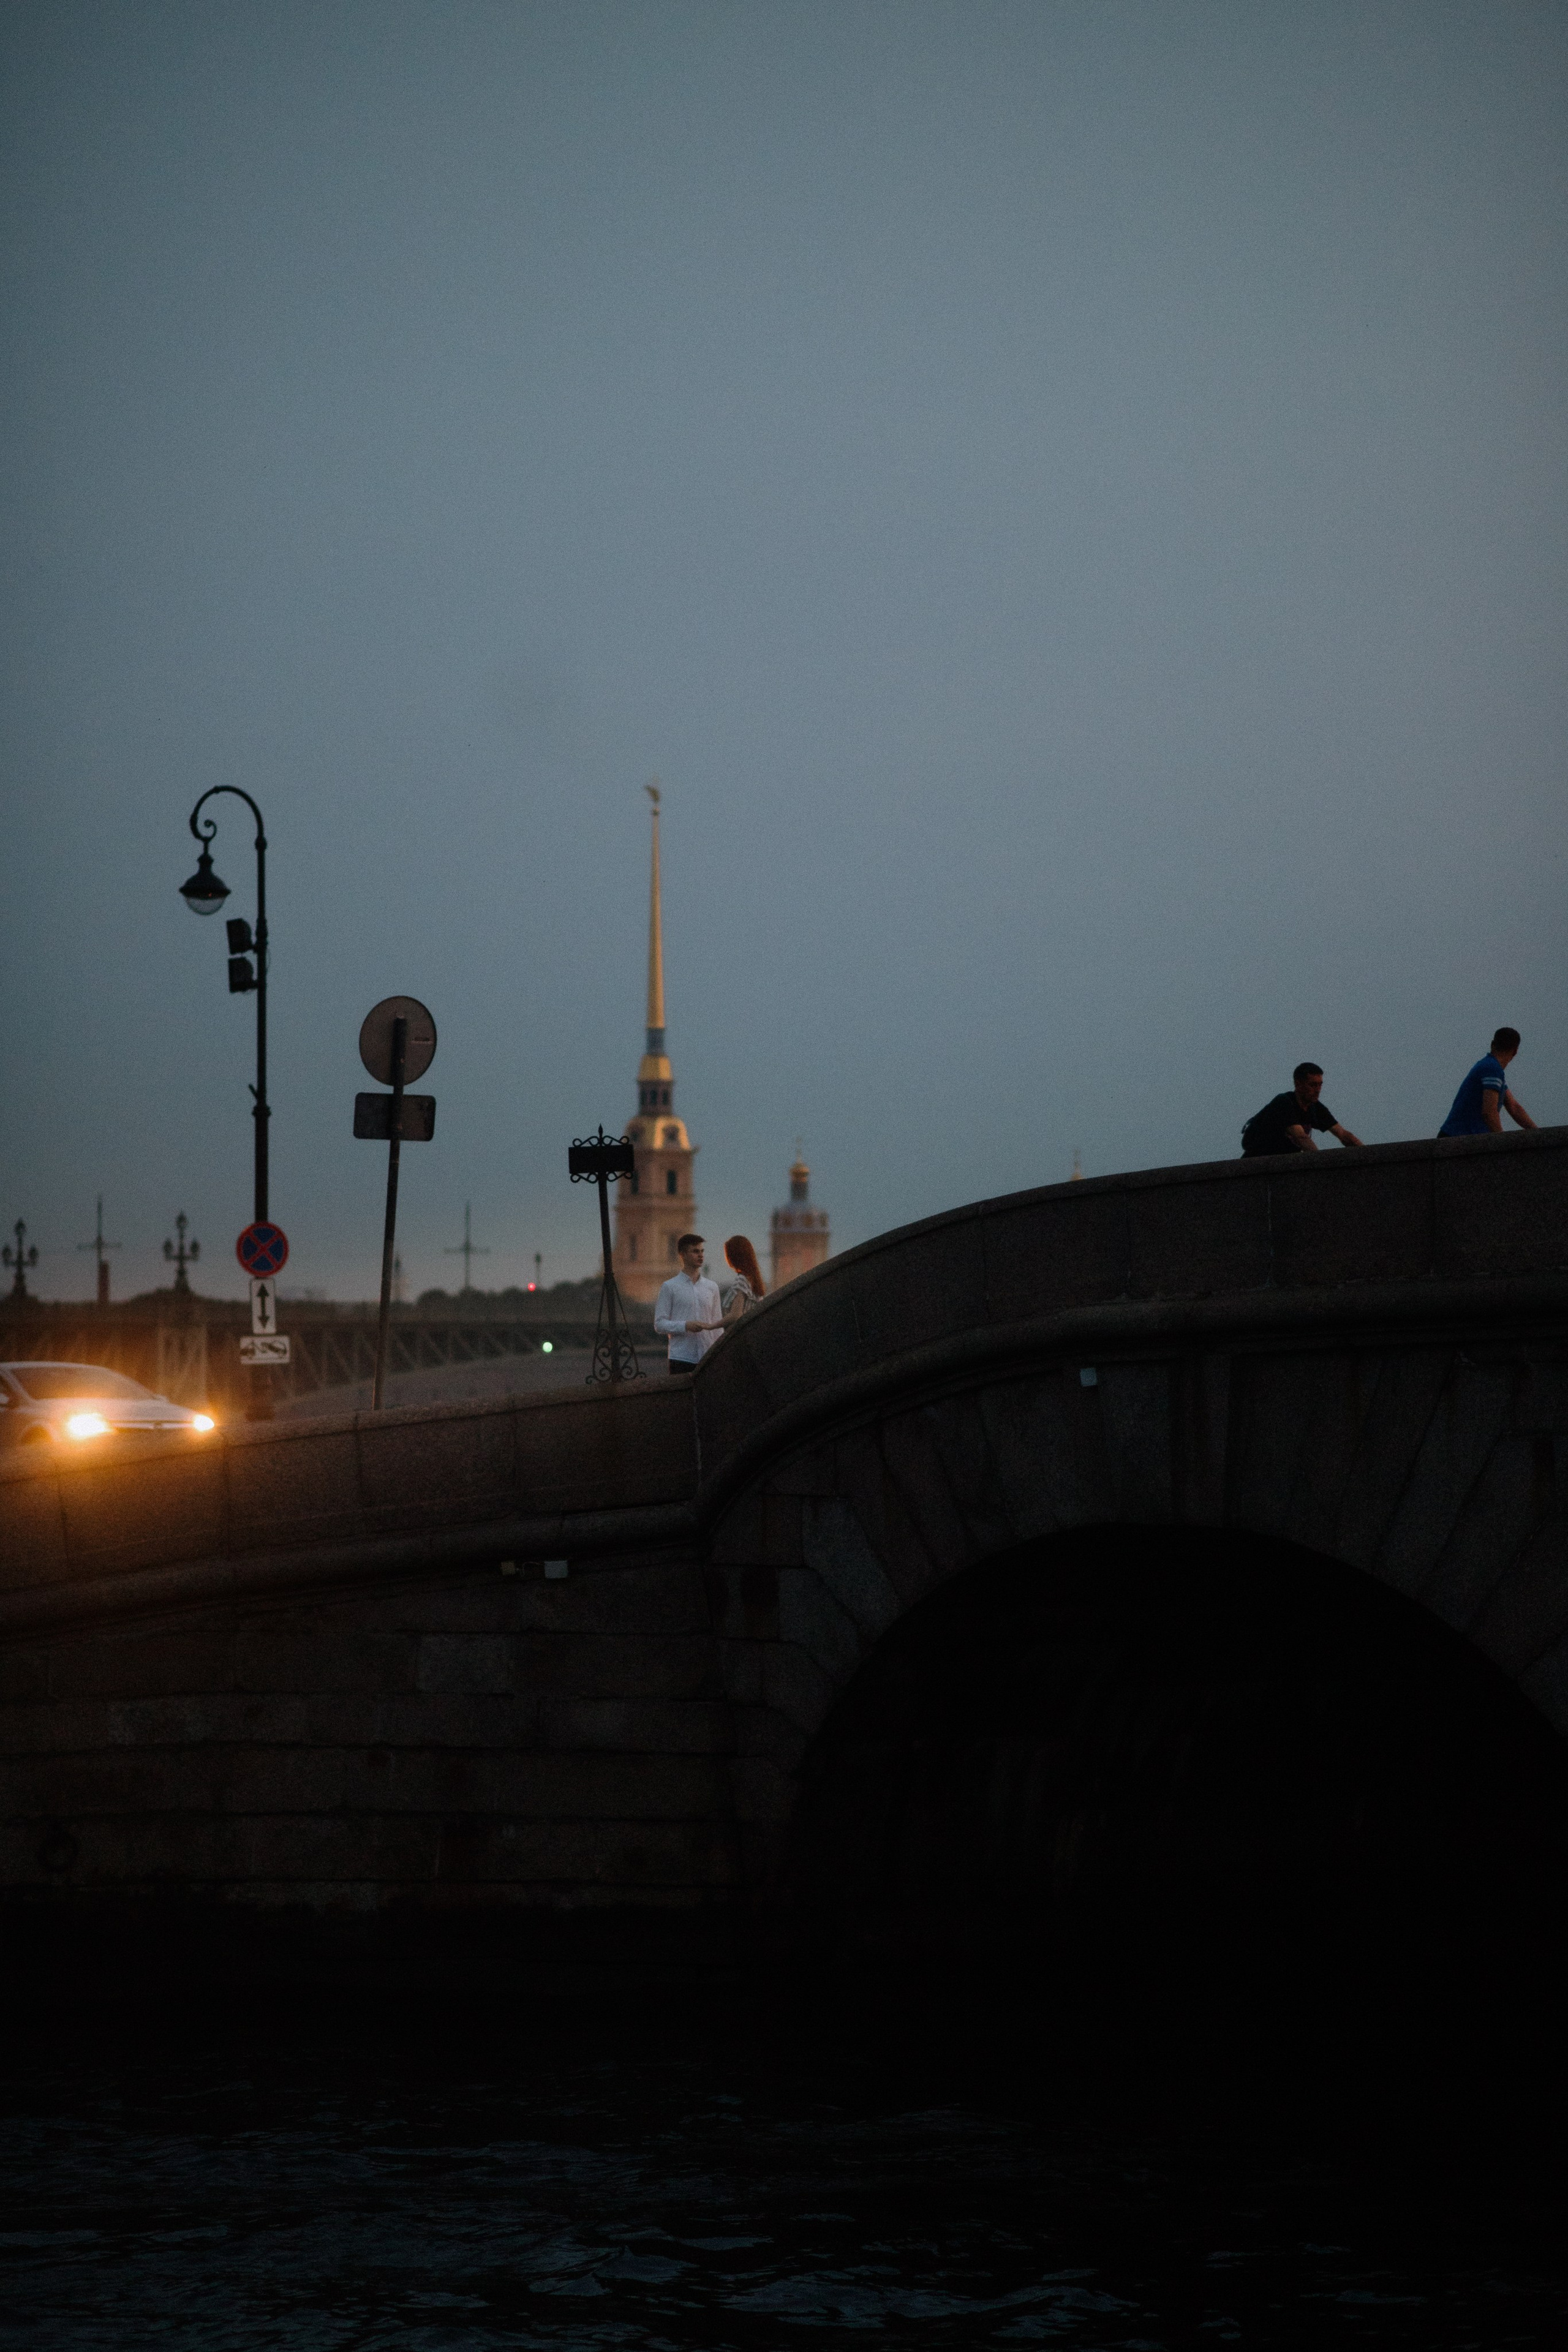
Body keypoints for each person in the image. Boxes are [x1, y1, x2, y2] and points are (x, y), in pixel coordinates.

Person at [1241, 1063, 1365, 1157]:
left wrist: (1369, 1155)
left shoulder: (1315, 1107)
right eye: (1313, 1085)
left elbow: (1343, 1135)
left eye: (1320, 1085)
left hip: (1283, 1162)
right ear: (1298, 1084)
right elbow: (1301, 1137)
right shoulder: (1284, 1103)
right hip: (1257, 1161)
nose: (1318, 1090)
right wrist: (1321, 1163)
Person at [1439, 1028, 1538, 1138]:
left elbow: (1514, 1107)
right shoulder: (1492, 1069)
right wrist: (1504, 1143)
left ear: (1492, 1045)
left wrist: (1538, 1134)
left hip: (1456, 1137)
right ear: (1515, 1052)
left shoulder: (1489, 1067)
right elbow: (1489, 1113)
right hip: (1459, 1140)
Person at [652, 1234, 723, 1374]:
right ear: (683, 1255)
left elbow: (717, 1325)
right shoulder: (669, 1287)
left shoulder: (712, 1287)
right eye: (695, 1251)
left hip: (708, 1356)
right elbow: (659, 1324)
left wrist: (720, 1355)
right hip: (681, 1357)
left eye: (702, 1251)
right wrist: (685, 1326)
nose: (701, 1255)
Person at [722, 1235, 766, 1323]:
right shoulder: (754, 1280)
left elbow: (735, 1316)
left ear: (732, 1257)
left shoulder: (742, 1280)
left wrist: (710, 1326)